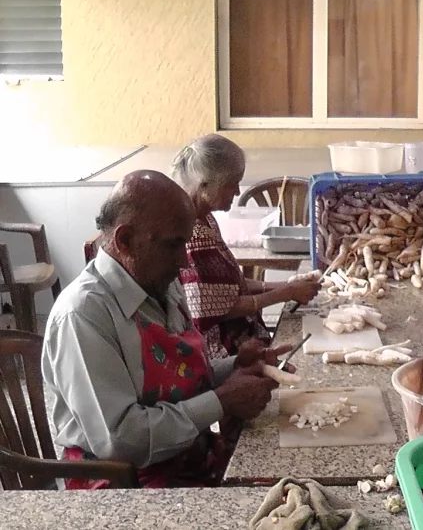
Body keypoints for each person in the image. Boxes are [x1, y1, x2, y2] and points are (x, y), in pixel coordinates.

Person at [42, 171, 293, 488]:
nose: (185, 262)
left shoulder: (158, 281)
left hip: (185, 457)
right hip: (124, 486)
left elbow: (178, 376)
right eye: (174, 246)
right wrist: (221, 402)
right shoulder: (84, 315)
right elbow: (121, 440)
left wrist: (235, 366)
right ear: (125, 241)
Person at [170, 134, 320, 360]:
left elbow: (228, 287)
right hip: (219, 356)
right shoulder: (192, 235)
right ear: (204, 186)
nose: (238, 192)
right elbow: (216, 310)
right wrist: (285, 293)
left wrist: (285, 284)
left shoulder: (206, 219)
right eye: (232, 184)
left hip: (243, 339)